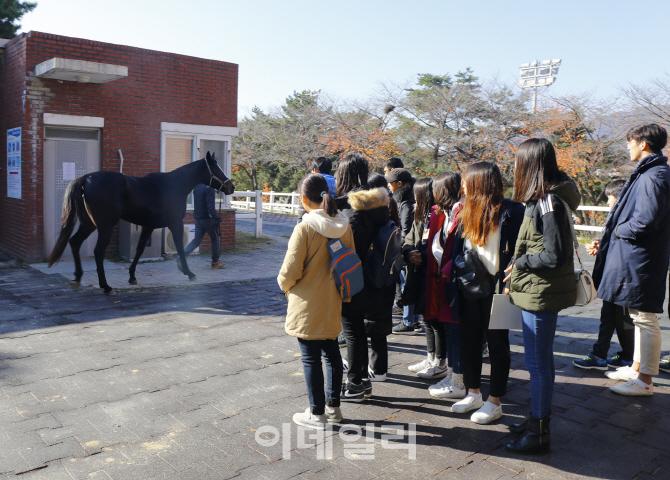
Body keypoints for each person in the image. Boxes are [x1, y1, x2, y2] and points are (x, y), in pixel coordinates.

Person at [504, 138, 580, 454]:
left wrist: (520, 261)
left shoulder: (548, 201)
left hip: (540, 292)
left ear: (530, 165)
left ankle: (538, 432)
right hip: (539, 291)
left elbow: (554, 255)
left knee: (537, 364)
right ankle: (536, 421)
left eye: (519, 163)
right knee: (542, 361)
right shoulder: (546, 198)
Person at [590, 124, 670, 396]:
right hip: (638, 257)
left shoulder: (653, 176)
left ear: (643, 144)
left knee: (645, 317)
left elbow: (646, 221)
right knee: (638, 316)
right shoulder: (651, 172)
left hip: (640, 258)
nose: (628, 147)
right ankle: (637, 367)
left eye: (630, 142)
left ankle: (645, 380)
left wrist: (618, 231)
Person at [277, 173, 354, 429]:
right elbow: (350, 262)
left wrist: (284, 286)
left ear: (303, 199)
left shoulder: (305, 227)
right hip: (333, 298)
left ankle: (316, 413)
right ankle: (333, 409)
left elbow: (290, 271)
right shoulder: (344, 225)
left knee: (310, 357)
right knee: (331, 352)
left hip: (307, 302)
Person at [450, 162, 523, 425]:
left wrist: (512, 280)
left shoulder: (513, 210)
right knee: (469, 341)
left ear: (481, 182)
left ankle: (495, 402)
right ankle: (473, 393)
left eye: (467, 181)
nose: (463, 185)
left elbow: (519, 250)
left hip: (500, 288)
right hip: (470, 286)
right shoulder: (464, 210)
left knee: (498, 345)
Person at [336, 154, 394, 401]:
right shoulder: (378, 204)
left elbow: (352, 250)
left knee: (353, 331)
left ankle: (355, 384)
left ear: (345, 174)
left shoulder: (355, 209)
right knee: (357, 330)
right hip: (374, 278)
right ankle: (362, 382)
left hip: (355, 280)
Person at [574, 179, 635, 371]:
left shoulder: (628, 217)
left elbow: (624, 246)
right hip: (615, 273)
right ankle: (624, 355)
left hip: (621, 275)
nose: (607, 202)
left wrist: (603, 247)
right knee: (614, 316)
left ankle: (603, 355)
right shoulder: (621, 215)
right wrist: (601, 247)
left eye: (609, 198)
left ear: (619, 197)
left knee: (617, 317)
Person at [415, 173, 466, 393]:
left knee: (454, 331)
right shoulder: (443, 212)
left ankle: (458, 381)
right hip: (440, 277)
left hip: (454, 279)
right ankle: (449, 373)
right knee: (439, 323)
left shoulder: (460, 213)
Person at [385, 168, 420, 334]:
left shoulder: (406, 204)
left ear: (399, 184)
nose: (389, 186)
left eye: (390, 183)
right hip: (409, 249)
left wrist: (402, 250)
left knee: (407, 284)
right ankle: (413, 319)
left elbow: (405, 230)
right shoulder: (409, 199)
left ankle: (408, 320)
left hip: (406, 250)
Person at [400, 177, 434, 337]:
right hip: (419, 273)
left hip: (433, 275)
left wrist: (423, 256)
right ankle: (432, 357)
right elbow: (409, 238)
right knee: (426, 318)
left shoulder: (440, 216)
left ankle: (438, 358)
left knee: (435, 322)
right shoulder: (419, 216)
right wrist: (408, 252)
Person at [179, 184, 224, 270]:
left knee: (196, 241)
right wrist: (216, 217)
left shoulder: (197, 187)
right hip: (208, 219)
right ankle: (215, 263)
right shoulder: (209, 188)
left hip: (198, 218)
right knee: (215, 238)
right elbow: (210, 206)